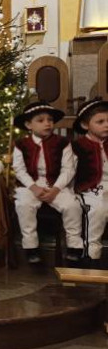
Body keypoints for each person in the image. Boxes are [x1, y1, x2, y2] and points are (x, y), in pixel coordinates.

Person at [12, 101, 83, 264]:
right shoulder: (21, 145)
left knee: (72, 206)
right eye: (41, 120)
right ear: (28, 124)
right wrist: (34, 188)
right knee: (24, 205)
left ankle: (74, 246)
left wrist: (55, 189)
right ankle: (31, 247)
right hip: (31, 185)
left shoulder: (63, 143)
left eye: (50, 120)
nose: (47, 123)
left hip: (56, 185)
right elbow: (20, 169)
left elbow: (68, 169)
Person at [71, 98, 108, 264]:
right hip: (89, 189)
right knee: (97, 210)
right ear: (86, 125)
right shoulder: (77, 146)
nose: (106, 125)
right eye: (100, 121)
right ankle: (91, 255)